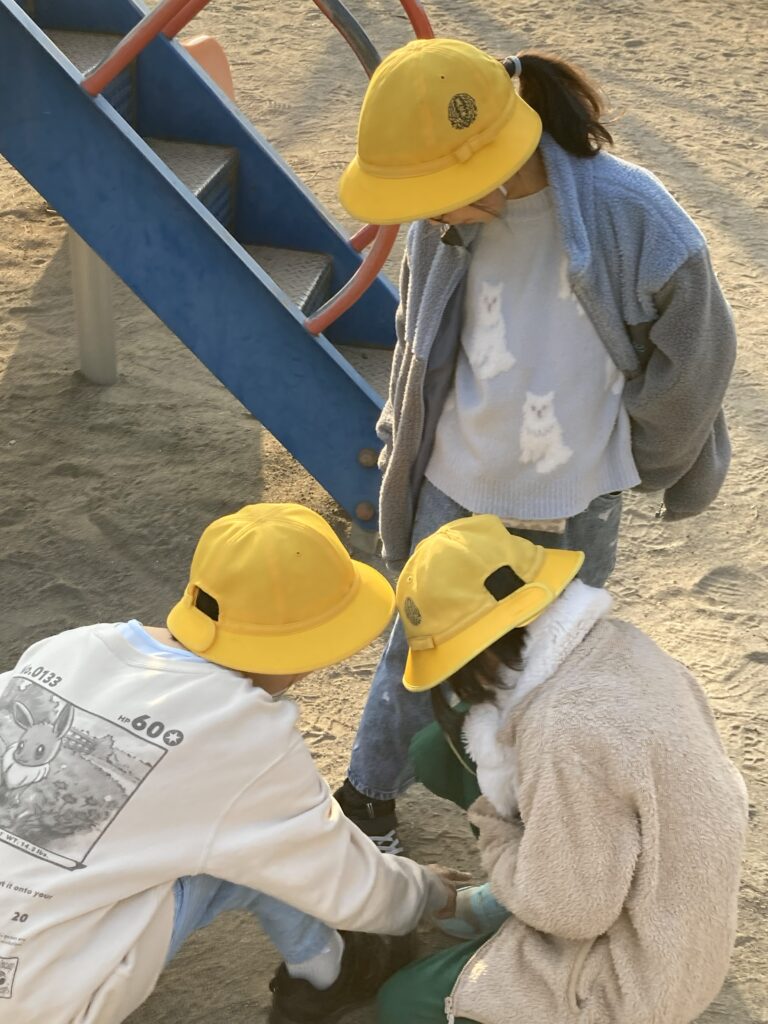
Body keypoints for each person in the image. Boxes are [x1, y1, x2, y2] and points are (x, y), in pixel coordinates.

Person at [333, 37, 737, 850]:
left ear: (486, 160)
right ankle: (367, 797)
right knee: (420, 647)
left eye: (431, 194)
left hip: (575, 498)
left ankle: (538, 825)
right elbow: (418, 335)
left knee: (551, 665)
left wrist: (646, 453)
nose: (423, 213)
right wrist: (400, 436)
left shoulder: (630, 213)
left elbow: (699, 353)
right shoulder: (442, 222)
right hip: (456, 478)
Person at [0, 503, 463, 1024]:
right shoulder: (241, 730)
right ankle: (324, 979)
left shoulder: (70, 648)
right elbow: (346, 885)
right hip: (35, 999)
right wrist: (428, 893)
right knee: (263, 854)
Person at [375, 514, 748, 1024]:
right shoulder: (617, 642)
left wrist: (495, 826)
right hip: (672, 892)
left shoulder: (563, 729)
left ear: (475, 650)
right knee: (438, 751)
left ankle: (529, 887)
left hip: (641, 969)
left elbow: (573, 912)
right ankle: (529, 882)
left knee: (402, 1003)